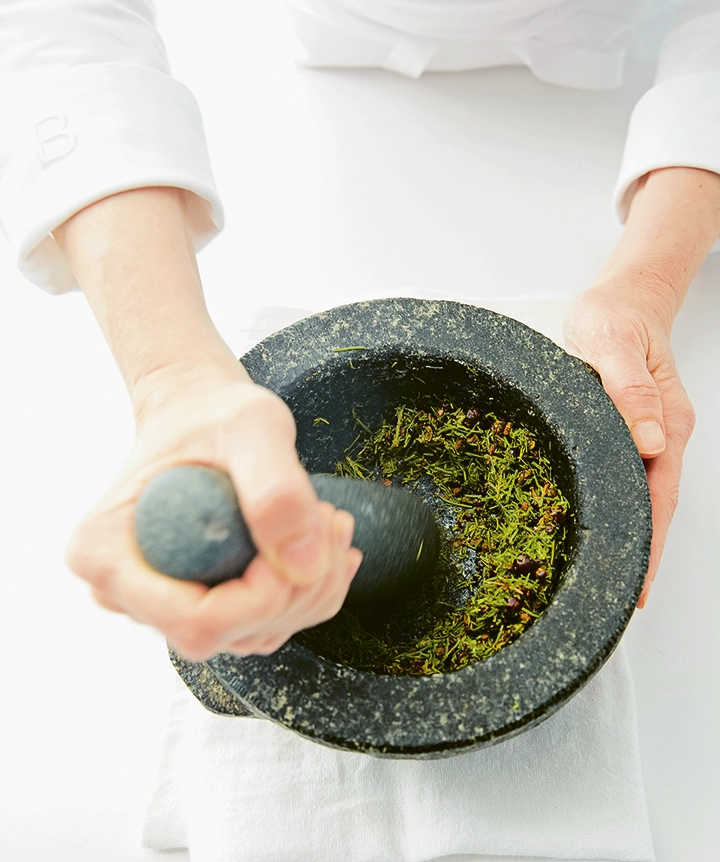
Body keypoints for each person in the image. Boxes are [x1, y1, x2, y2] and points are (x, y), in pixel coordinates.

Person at [1, 1, 718, 663]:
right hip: (319, 105)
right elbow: (63, 26)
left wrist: (647, 284)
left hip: (613, 117)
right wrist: (171, 378)